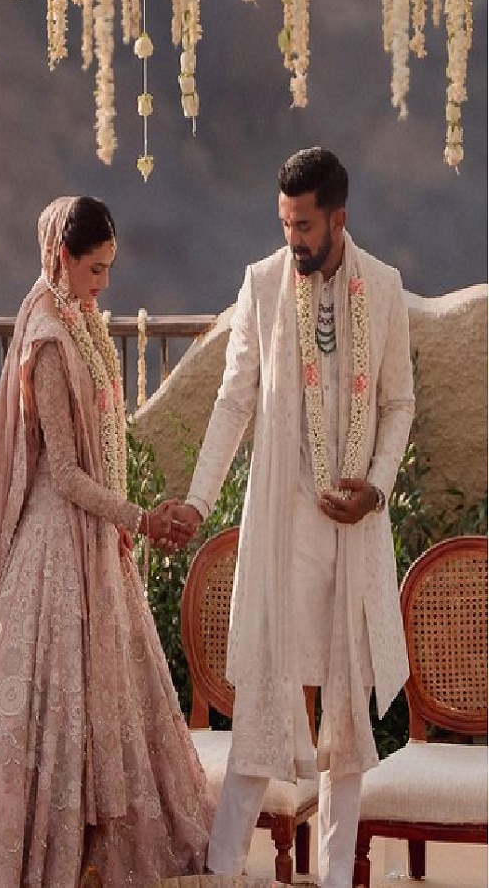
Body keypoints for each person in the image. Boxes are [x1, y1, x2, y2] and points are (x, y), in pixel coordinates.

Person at [168, 147, 415, 888]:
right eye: (283, 223)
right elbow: (233, 401)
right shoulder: (264, 285)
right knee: (264, 710)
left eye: (304, 226)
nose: (292, 239)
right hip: (285, 529)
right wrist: (197, 500)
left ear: (338, 218)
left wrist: (375, 486)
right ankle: (221, 869)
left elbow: (400, 403)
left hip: (351, 532)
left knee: (345, 723)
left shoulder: (387, 287)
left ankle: (337, 879)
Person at [0, 196, 213, 888]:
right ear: (61, 258)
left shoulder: (81, 318)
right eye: (94, 269)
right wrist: (139, 519)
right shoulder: (46, 335)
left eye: (108, 270)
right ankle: (57, 854)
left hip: (93, 540)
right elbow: (64, 473)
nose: (104, 284)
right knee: (54, 705)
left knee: (112, 698)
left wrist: (124, 522)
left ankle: (102, 852)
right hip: (56, 547)